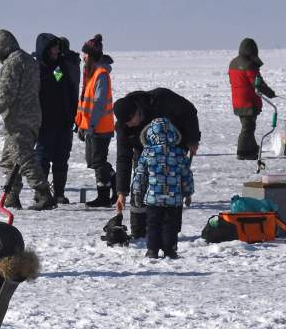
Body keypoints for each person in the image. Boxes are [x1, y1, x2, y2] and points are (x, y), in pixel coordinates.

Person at [0, 29, 55, 211]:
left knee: (24, 158)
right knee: (9, 160)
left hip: (18, 120)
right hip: (31, 117)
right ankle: (11, 196)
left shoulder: (12, 64)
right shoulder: (29, 60)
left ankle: (44, 194)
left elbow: (6, 96)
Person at [111, 89, 201, 238]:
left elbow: (189, 111)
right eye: (126, 123)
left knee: (171, 188)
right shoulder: (124, 126)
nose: (129, 125)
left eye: (130, 120)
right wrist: (121, 193)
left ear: (137, 111)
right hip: (144, 150)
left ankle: (170, 230)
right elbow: (123, 158)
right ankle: (139, 230)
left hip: (174, 148)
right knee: (140, 186)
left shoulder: (161, 101)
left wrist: (192, 139)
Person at [131, 118, 194, 259]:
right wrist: (188, 192)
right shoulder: (179, 153)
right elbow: (186, 175)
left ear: (150, 135)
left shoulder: (147, 153)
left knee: (153, 224)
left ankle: (152, 250)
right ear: (173, 133)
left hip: (153, 198)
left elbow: (140, 175)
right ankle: (170, 249)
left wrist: (137, 193)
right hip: (174, 199)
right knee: (170, 225)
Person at [33, 33, 77, 204]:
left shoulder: (58, 67)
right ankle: (42, 194)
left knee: (61, 158)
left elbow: (65, 88)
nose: (57, 51)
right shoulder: (36, 69)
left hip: (63, 121)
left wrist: (73, 114)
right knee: (42, 158)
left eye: (58, 48)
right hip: (45, 123)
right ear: (46, 49)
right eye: (54, 48)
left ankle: (59, 193)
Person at [76, 34, 116, 207]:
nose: (83, 57)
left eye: (85, 54)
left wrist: (90, 125)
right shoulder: (91, 74)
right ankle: (115, 181)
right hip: (91, 126)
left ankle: (104, 196)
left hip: (100, 127)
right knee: (94, 161)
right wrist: (81, 125)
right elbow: (85, 103)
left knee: (98, 162)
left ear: (91, 55)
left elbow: (99, 103)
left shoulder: (101, 74)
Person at [228, 38, 275, 160]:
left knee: (248, 126)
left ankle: (252, 149)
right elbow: (257, 83)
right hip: (248, 101)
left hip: (237, 101)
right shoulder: (249, 65)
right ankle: (242, 152)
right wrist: (270, 93)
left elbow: (233, 81)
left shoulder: (233, 63)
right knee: (247, 128)